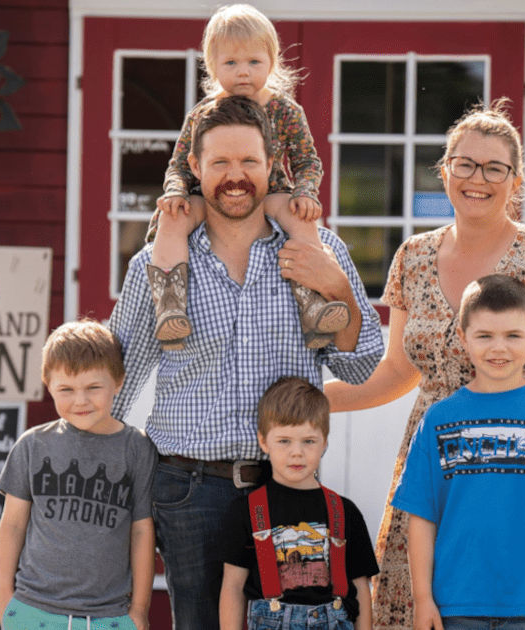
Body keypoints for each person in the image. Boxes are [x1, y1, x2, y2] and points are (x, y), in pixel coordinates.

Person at [323, 99, 525, 629]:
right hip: (439, 462)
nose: (477, 179)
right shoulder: (413, 256)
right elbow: (399, 372)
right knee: (425, 607)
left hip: (521, 467)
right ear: (445, 171)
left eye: (494, 168)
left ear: (515, 179)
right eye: (465, 164)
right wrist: (314, 401)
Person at [109, 94, 384, 630]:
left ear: (272, 163)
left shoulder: (317, 251)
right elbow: (117, 381)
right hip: (189, 489)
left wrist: (336, 288)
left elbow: (361, 365)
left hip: (290, 487)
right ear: (194, 167)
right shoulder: (158, 264)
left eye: (249, 163)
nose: (236, 177)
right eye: (220, 164)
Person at [146, 3, 347, 351]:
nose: (243, 72)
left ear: (272, 61)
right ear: (212, 66)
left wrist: (306, 192)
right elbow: (179, 163)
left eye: (254, 62)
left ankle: (311, 303)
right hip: (206, 195)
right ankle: (169, 307)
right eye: (231, 63)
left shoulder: (285, 110)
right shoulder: (203, 114)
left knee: (299, 216)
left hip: (271, 192)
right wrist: (177, 190)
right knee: (171, 218)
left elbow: (307, 161)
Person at [392, 275, 525, 630]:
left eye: (513, 335)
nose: (499, 348)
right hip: (454, 606)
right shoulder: (439, 419)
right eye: (484, 336)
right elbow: (421, 518)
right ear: (463, 338)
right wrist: (423, 600)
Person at [0, 319, 157, 630]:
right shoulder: (32, 446)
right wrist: (5, 602)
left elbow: (141, 531)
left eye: (93, 387)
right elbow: (12, 525)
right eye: (66, 389)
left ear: (118, 381)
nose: (80, 400)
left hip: (109, 616)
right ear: (48, 384)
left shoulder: (137, 448)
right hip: (33, 611)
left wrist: (139, 609)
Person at [219, 377, 379, 630]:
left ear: (324, 442)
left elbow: (360, 587)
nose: (297, 452)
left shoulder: (345, 512)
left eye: (308, 441)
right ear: (264, 441)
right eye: (284, 441)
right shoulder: (246, 511)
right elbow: (233, 586)